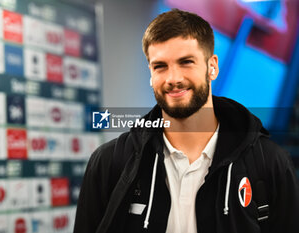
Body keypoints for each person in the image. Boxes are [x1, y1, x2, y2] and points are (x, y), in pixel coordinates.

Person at [74, 9, 299, 233]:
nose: (173, 79)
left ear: (212, 67)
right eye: (160, 66)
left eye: (186, 62)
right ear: (151, 76)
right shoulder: (109, 163)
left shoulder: (269, 163)